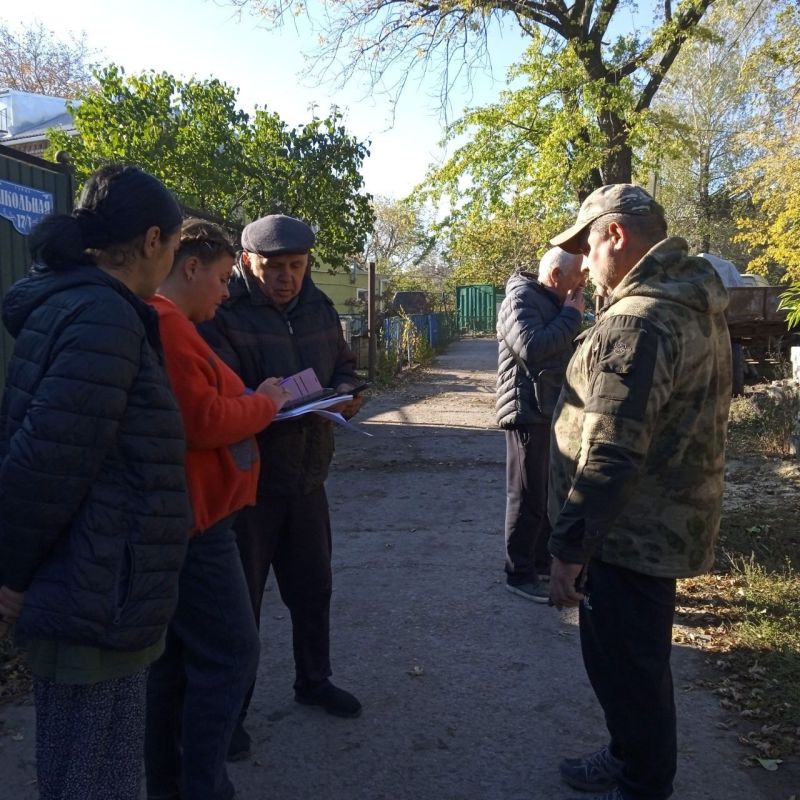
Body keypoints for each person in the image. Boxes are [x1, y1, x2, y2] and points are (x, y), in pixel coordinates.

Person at [0, 165, 190, 800]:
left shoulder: (82, 305)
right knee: (91, 778)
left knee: (96, 772)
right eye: (175, 245)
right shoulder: (103, 318)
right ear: (152, 240)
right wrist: (11, 577)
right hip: (94, 590)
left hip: (100, 582)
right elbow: (44, 464)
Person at [547, 184, 732, 800]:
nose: (583, 264)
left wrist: (569, 548)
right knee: (633, 664)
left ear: (616, 235)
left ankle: (642, 782)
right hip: (661, 520)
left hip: (627, 532)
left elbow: (613, 451)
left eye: (587, 247)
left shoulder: (638, 320)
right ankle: (629, 756)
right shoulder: (692, 301)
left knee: (628, 669)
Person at [199, 213, 364, 762]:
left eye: (296, 265)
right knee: (241, 603)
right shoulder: (224, 312)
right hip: (250, 483)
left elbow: (344, 365)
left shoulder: (319, 308)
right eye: (274, 267)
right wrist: (265, 402)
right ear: (248, 262)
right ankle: (232, 713)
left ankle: (314, 680)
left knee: (313, 588)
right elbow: (221, 392)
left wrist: (347, 391)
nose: (286, 277)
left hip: (308, 476)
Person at [144, 219, 291, 800]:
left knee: (176, 662)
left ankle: (172, 784)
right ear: (190, 267)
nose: (227, 292)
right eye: (224, 277)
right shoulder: (168, 325)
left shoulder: (174, 325)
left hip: (194, 518)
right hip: (199, 526)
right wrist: (264, 404)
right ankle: (202, 786)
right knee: (231, 652)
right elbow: (202, 420)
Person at [495, 247, 586, 602]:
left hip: (550, 407)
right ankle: (518, 574)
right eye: (579, 276)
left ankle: (540, 562)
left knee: (546, 494)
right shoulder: (520, 299)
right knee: (526, 495)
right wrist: (571, 316)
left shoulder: (552, 301)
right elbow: (532, 347)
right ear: (556, 275)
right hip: (527, 409)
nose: (583, 283)